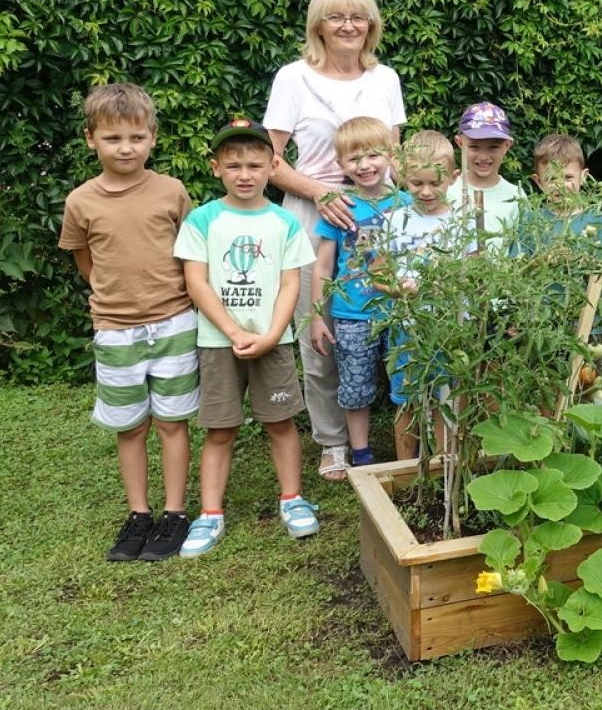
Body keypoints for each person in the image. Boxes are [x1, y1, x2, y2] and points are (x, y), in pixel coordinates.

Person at [264, 0, 405, 484]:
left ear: (371, 24)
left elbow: (394, 156)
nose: (348, 25)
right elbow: (268, 161)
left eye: (358, 16)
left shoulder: (385, 78)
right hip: (312, 209)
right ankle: (333, 443)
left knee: (392, 320)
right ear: (318, 25)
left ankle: (401, 430)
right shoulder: (293, 78)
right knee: (321, 330)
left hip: (378, 213)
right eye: (336, 16)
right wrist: (322, 192)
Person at [60, 84, 199, 562]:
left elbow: (191, 250)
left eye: (136, 137)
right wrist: (116, 300)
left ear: (153, 138)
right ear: (90, 139)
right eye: (114, 138)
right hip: (115, 327)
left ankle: (175, 513)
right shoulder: (81, 201)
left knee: (172, 421)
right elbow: (85, 258)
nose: (126, 148)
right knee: (131, 425)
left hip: (175, 321)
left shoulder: (171, 191)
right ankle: (139, 513)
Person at [173, 119, 317, 557]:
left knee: (281, 422)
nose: (244, 174)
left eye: (255, 164)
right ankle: (210, 513)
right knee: (220, 429)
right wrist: (233, 330)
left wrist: (273, 334)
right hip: (218, 343)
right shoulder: (203, 219)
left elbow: (291, 284)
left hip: (274, 340)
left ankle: (292, 499)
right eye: (233, 165)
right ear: (216, 167)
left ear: (273, 166)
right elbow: (196, 281)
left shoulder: (284, 222)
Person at [307, 116, 403, 477]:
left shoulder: (407, 203)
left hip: (400, 313)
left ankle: (406, 450)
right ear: (340, 164)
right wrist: (318, 315)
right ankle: (361, 455)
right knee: (356, 383)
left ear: (390, 155)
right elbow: (323, 267)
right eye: (354, 159)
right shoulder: (339, 206)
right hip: (352, 313)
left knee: (405, 380)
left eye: (373, 155)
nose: (364, 165)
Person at [379, 130, 461, 459]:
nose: (426, 191)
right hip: (407, 329)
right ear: (402, 179)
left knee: (445, 398)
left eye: (434, 183)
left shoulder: (463, 221)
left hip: (448, 329)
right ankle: (404, 468)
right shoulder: (394, 219)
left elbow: (473, 270)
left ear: (453, 178)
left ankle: (443, 463)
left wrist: (451, 284)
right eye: (416, 183)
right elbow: (377, 274)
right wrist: (398, 289)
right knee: (407, 399)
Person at [451, 102, 524, 253]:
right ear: (459, 142)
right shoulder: (448, 191)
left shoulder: (517, 196)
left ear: (507, 145)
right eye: (474, 147)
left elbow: (522, 250)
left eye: (493, 147)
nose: (483, 156)